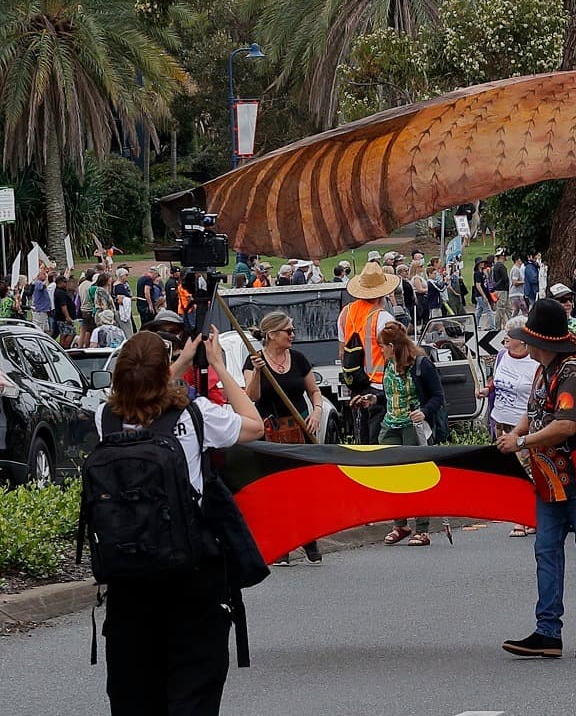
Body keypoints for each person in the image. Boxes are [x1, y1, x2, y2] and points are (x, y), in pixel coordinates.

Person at [98, 330, 264, 716]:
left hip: (128, 581)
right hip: (191, 578)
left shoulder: (105, 417)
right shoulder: (196, 415)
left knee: (135, 696)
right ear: (164, 374)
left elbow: (141, 391)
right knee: (193, 692)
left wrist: (179, 361)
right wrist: (218, 364)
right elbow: (254, 425)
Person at [499, 299, 576, 659]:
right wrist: (517, 431)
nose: (523, 345)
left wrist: (520, 442)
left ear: (543, 343)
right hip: (550, 479)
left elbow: (565, 425)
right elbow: (532, 412)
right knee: (546, 551)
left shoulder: (574, 373)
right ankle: (548, 630)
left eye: (528, 339)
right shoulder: (544, 370)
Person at [244, 311, 326, 566]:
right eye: (288, 331)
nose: (293, 335)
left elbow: (314, 391)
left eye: (292, 330)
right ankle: (281, 545)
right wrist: (257, 372)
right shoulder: (254, 360)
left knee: (301, 487)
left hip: (299, 428)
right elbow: (252, 396)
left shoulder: (299, 359)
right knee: (277, 489)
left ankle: (309, 539)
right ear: (271, 335)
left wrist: (316, 411)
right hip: (270, 431)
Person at [376, 322, 445, 547]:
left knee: (415, 475)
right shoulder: (388, 364)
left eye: (383, 346)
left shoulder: (421, 364)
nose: (381, 351)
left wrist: (424, 412)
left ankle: (422, 528)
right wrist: (372, 400)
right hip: (390, 425)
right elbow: (389, 395)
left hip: (412, 427)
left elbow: (437, 396)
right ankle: (400, 524)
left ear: (393, 346)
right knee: (392, 478)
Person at [482, 315, 540, 538]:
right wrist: (488, 390)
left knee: (527, 472)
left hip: (523, 425)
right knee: (510, 472)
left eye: (510, 334)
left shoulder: (534, 361)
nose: (505, 337)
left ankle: (528, 518)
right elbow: (496, 380)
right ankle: (520, 517)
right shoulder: (502, 356)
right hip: (501, 421)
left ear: (523, 339)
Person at [339, 263, 399, 446]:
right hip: (380, 388)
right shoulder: (383, 318)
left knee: (362, 442)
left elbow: (342, 351)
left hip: (356, 384)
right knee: (381, 444)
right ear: (383, 292)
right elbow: (397, 355)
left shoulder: (345, 313)